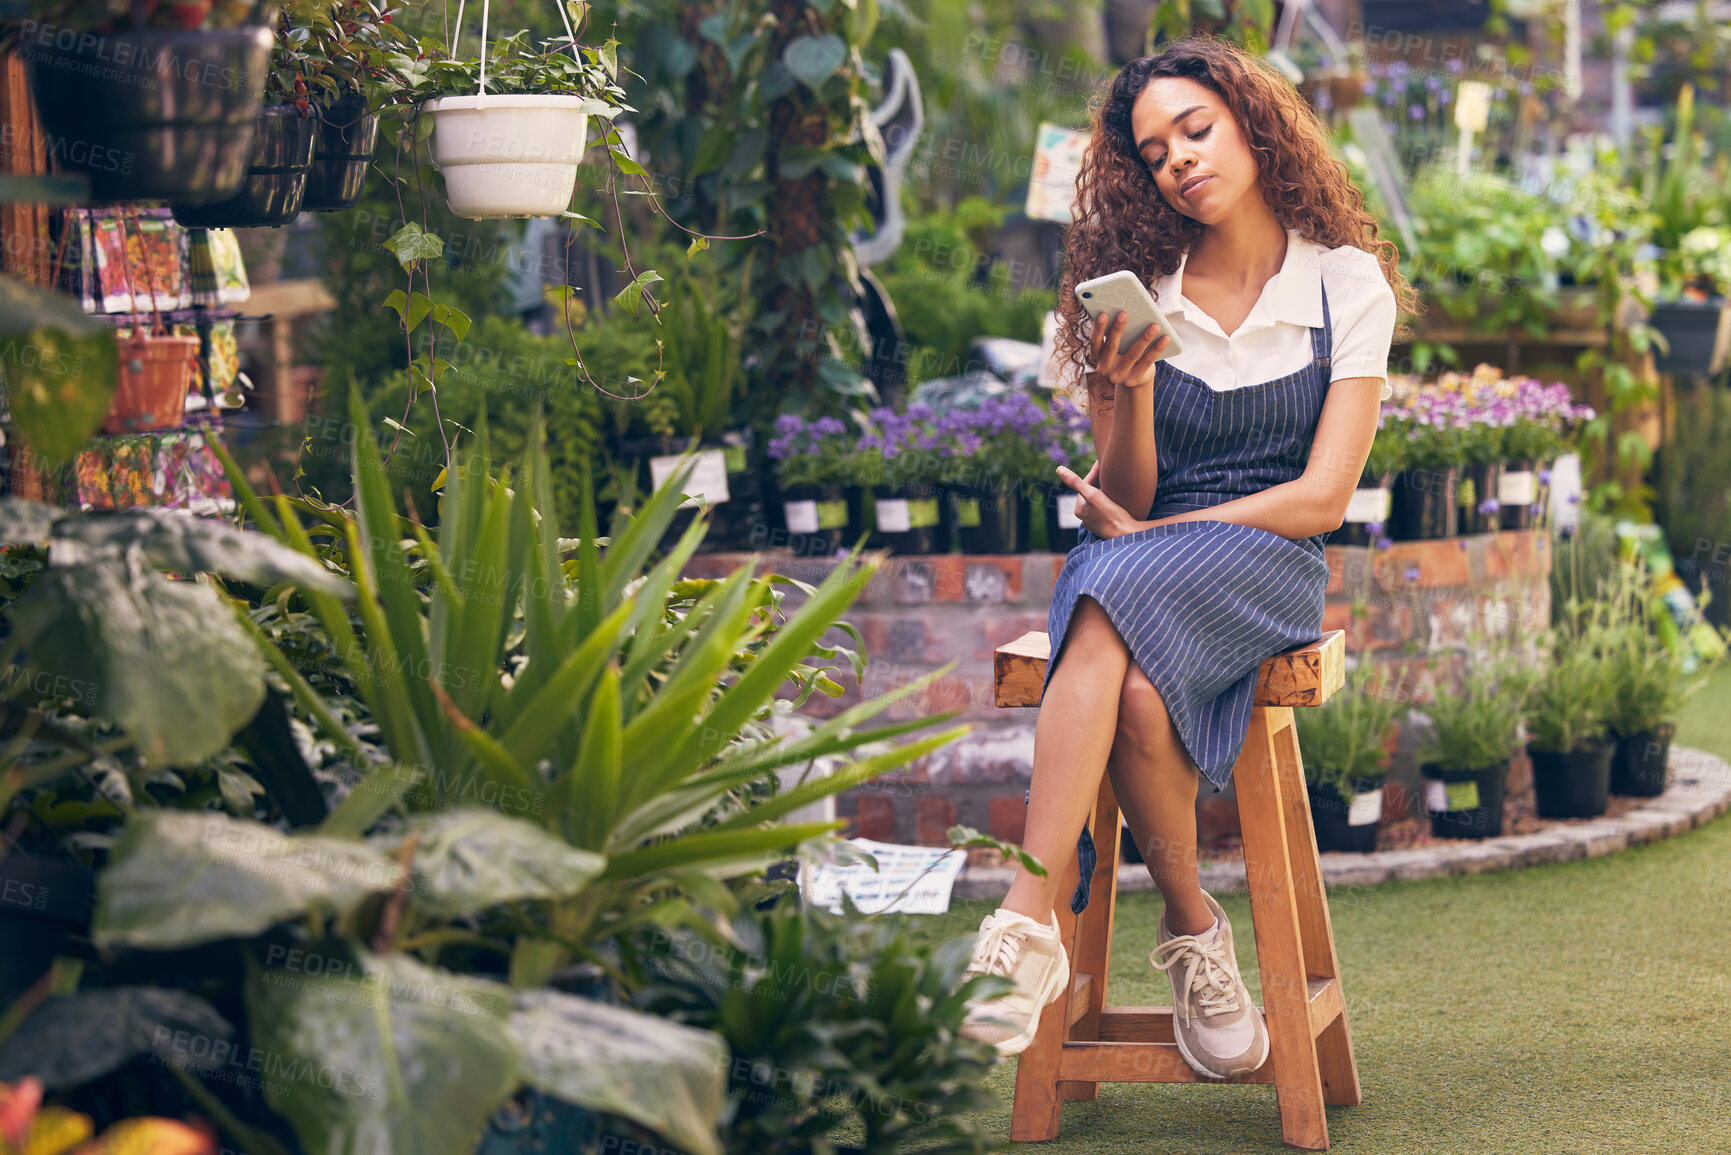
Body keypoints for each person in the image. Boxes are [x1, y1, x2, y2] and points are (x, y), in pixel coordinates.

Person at [958, 36, 1412, 1078]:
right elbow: (1125, 497)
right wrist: (1133, 387)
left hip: (1268, 562)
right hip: (1141, 557)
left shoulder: (1346, 287)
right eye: (1155, 152)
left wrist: (1155, 540)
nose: (1179, 162)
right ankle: (1197, 935)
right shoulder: (1133, 291)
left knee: (1111, 580)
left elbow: (1321, 498)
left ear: (1254, 122)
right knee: (1135, 688)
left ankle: (1027, 916)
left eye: (1195, 131)